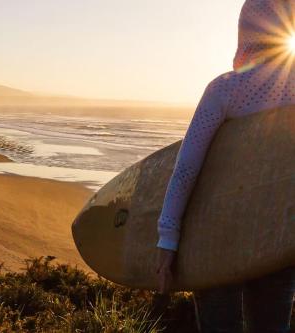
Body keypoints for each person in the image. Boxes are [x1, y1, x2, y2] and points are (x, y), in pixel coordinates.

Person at [155, 0, 295, 332]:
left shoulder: (225, 88)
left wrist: (167, 240)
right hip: (278, 240)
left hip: (216, 238)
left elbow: (187, 168)